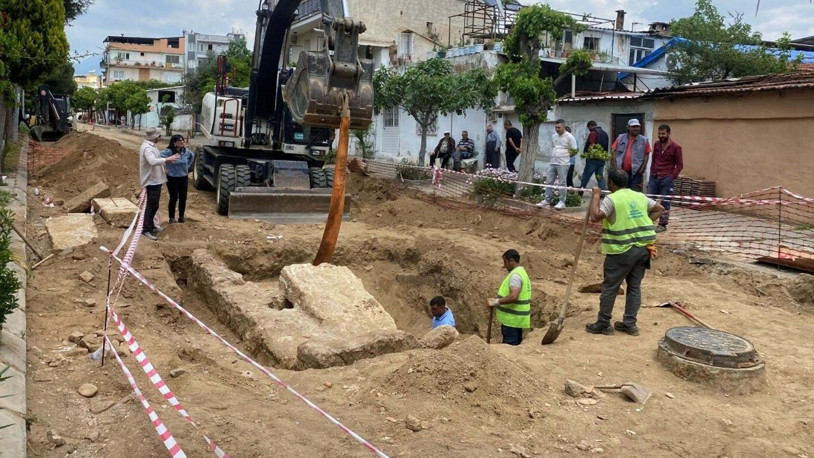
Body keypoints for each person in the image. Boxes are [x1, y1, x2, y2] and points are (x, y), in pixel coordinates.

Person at [585, 168, 664, 336]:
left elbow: (595, 216)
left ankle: (603, 323)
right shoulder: (639, 196)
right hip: (643, 248)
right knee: (634, 287)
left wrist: (597, 196)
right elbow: (659, 208)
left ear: (611, 183)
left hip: (621, 250)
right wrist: (642, 221)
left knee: (610, 287)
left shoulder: (612, 199)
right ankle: (629, 324)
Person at [140, 127, 179, 241]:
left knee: (155, 205)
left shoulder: (152, 147)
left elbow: (156, 160)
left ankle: (151, 226)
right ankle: (146, 230)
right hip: (151, 181)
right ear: (154, 136)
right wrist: (168, 159)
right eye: (158, 136)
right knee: (151, 205)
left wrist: (163, 168)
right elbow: (152, 161)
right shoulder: (147, 148)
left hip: (156, 180)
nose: (160, 138)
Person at [487, 249, 532, 345]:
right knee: (516, 347)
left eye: (505, 262)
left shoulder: (515, 276)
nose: (504, 265)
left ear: (512, 261)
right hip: (517, 320)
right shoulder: (522, 273)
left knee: (510, 347)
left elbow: (513, 296)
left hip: (511, 320)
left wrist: (496, 302)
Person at [646, 124, 683, 232]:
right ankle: (646, 222)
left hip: (666, 178)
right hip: (654, 177)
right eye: (659, 134)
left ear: (668, 134)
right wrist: (652, 172)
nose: (661, 136)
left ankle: (662, 224)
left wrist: (672, 177)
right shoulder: (657, 145)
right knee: (648, 200)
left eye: (663, 134)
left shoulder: (676, 147)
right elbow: (654, 160)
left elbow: (680, 165)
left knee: (665, 202)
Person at [542, 119, 577, 210]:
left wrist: (565, 156)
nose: (557, 129)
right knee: (549, 181)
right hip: (553, 162)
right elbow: (553, 146)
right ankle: (547, 200)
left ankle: (562, 201)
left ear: (564, 127)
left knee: (562, 182)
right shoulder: (554, 136)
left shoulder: (569, 137)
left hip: (563, 163)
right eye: (556, 127)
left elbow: (574, 150)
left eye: (559, 127)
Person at [160, 134, 195, 224]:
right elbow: (158, 157)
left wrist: (187, 167)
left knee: (183, 197)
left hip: (183, 177)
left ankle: (181, 217)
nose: (182, 142)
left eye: (182, 140)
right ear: (174, 142)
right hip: (172, 178)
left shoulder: (186, 152)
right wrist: (163, 168)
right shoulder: (168, 152)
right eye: (179, 141)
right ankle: (171, 217)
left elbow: (192, 157)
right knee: (174, 197)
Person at [611, 118, 651, 192]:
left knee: (634, 191)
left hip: (636, 172)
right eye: (633, 127)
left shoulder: (644, 140)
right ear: (628, 127)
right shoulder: (620, 138)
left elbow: (647, 155)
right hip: (621, 171)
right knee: (621, 191)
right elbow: (614, 151)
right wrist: (616, 167)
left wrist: (642, 168)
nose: (635, 128)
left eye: (637, 127)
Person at [580, 121, 609, 194]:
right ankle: (602, 193)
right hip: (601, 159)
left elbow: (592, 144)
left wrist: (589, 154)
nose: (589, 130)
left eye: (588, 128)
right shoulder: (604, 133)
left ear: (590, 126)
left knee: (586, 176)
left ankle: (581, 191)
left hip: (592, 159)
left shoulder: (593, 133)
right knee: (600, 176)